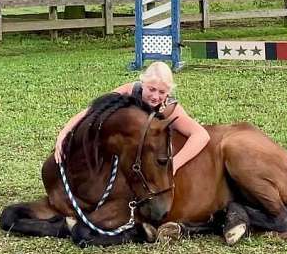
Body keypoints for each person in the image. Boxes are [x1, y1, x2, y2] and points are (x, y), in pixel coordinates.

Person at [54, 62, 210, 176]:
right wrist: (64, 133)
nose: (155, 96)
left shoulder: (170, 108)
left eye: (162, 92)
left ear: (168, 92)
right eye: (151, 89)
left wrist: (174, 165)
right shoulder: (128, 91)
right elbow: (92, 111)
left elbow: (201, 135)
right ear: (142, 84)